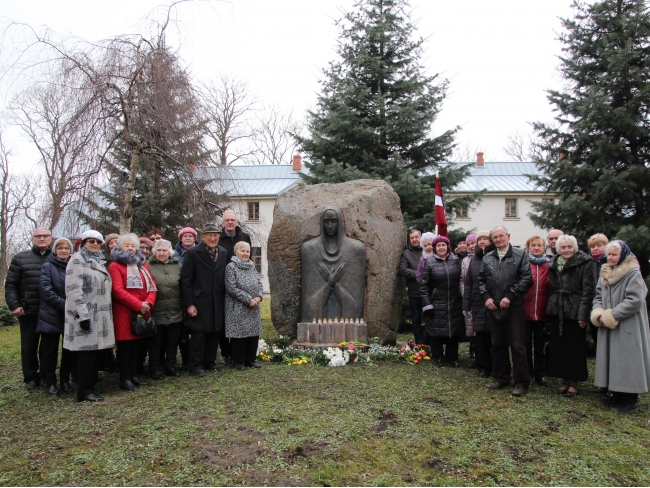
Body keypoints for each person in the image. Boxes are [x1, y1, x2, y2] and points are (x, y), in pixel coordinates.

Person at [591, 240, 650, 414]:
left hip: (627, 325)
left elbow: (635, 300)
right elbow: (598, 296)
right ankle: (615, 394)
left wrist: (613, 315)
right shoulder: (606, 272)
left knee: (628, 360)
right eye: (608, 254)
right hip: (608, 324)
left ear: (622, 255)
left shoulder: (633, 273)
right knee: (613, 359)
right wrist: (599, 313)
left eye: (614, 254)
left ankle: (630, 401)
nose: (610, 257)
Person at [479, 226, 533, 397]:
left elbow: (526, 278)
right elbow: (481, 280)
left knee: (517, 346)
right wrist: (486, 297)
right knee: (497, 344)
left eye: (501, 236)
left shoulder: (520, 255)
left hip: (514, 307)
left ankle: (521, 383)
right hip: (493, 307)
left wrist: (510, 296)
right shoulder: (487, 257)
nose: (499, 239)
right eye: (495, 237)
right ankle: (501, 378)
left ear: (508, 236)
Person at [63, 230, 114, 402]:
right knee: (86, 354)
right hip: (85, 315)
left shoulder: (97, 261)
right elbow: (73, 290)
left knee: (95, 353)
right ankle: (83, 390)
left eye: (98, 242)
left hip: (100, 315)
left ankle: (91, 386)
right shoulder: (77, 261)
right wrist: (82, 316)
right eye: (91, 241)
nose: (94, 244)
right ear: (83, 243)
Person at [545, 235, 596, 397]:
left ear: (575, 247)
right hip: (557, 309)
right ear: (558, 249)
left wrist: (583, 314)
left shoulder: (585, 262)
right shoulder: (553, 262)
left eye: (569, 247)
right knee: (559, 347)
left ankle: (574, 382)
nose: (566, 250)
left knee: (575, 348)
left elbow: (589, 291)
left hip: (575, 309)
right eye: (563, 247)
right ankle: (564, 381)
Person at [5, 227, 52, 390]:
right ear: (33, 238)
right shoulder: (20, 258)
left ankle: (47, 376)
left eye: (45, 236)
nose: (42, 239)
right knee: (29, 346)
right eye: (38, 236)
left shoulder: (56, 257)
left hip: (50, 311)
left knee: (47, 347)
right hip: (28, 310)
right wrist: (15, 305)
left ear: (50, 238)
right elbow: (10, 284)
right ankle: (31, 377)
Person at [108, 234, 157, 391]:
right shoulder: (115, 265)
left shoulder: (142, 265)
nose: (130, 248)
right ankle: (125, 378)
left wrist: (148, 303)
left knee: (137, 345)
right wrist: (137, 305)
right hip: (125, 311)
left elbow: (152, 286)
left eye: (132, 245)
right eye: (126, 245)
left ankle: (134, 375)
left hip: (143, 310)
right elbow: (117, 290)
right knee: (125, 346)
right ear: (120, 247)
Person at [180, 223, 228, 376]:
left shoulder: (223, 252)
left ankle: (210, 361)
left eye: (215, 235)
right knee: (199, 335)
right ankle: (195, 366)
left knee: (214, 331)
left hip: (217, 299)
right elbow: (185, 280)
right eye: (210, 235)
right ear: (203, 237)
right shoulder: (193, 252)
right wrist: (189, 304)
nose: (213, 238)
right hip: (199, 300)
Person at [36, 238, 74, 396]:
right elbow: (46, 291)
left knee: (68, 350)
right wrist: (66, 305)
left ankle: (65, 380)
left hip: (70, 315)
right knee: (49, 351)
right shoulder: (47, 266)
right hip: (51, 314)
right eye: (60, 248)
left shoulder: (74, 266)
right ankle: (50, 381)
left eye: (66, 248)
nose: (64, 251)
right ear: (55, 250)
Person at [420, 235, 464, 367]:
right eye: (438, 245)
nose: (441, 248)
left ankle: (452, 357)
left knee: (453, 330)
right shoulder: (429, 262)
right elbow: (424, 286)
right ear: (434, 248)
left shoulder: (455, 260)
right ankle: (438, 356)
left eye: (443, 245)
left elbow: (461, 280)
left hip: (453, 301)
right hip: (436, 301)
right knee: (436, 330)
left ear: (447, 246)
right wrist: (427, 304)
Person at [218, 211, 252, 364]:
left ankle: (240, 354)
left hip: (242, 284)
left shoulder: (244, 237)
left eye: (233, 220)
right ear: (223, 223)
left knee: (241, 322)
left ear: (237, 222)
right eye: (227, 220)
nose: (230, 222)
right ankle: (226, 354)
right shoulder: (218, 238)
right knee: (225, 322)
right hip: (222, 283)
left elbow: (247, 259)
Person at [225, 241, 264, 371]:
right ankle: (238, 361)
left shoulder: (251, 266)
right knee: (239, 335)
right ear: (236, 252)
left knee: (253, 334)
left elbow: (259, 282)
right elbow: (231, 287)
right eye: (243, 251)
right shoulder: (231, 266)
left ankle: (250, 359)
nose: (246, 253)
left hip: (254, 305)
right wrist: (248, 299)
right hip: (238, 306)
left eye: (248, 251)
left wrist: (258, 296)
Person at [147, 239, 183, 379]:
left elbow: (182, 285)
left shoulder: (177, 265)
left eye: (164, 250)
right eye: (159, 250)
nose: (162, 253)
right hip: (156, 310)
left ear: (170, 251)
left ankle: (170, 366)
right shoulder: (148, 265)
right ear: (154, 252)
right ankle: (155, 368)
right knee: (155, 343)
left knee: (173, 341)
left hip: (175, 309)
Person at [462, 230, 493, 377]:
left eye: (485, 239)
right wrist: (466, 305)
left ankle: (496, 365)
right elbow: (468, 284)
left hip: (494, 303)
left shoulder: (495, 257)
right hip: (478, 302)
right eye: (479, 239)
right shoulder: (474, 260)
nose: (482, 242)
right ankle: (483, 366)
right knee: (480, 336)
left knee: (495, 337)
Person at [523, 235, 550, 387]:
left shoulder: (549, 265)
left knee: (540, 345)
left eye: (539, 245)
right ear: (528, 248)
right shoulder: (524, 264)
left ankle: (541, 373)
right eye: (533, 245)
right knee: (525, 344)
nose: (536, 248)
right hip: (525, 311)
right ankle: (528, 372)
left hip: (542, 311)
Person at [399, 229, 424, 345]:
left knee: (430, 318)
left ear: (420, 237)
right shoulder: (407, 254)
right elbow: (403, 269)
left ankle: (430, 341)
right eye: (412, 238)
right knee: (416, 319)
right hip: (415, 291)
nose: (414, 240)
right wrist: (418, 274)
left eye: (416, 237)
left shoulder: (427, 251)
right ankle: (419, 342)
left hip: (429, 291)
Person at [587, 233, 609, 358]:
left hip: (609, 304)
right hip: (593, 305)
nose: (595, 248)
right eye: (592, 246)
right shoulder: (588, 262)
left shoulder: (611, 261)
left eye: (599, 245)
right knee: (597, 337)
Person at [460, 233, 477, 361]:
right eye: (469, 244)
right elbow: (462, 279)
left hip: (481, 297)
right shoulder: (465, 260)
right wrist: (465, 293)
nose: (471, 246)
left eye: (473, 243)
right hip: (468, 296)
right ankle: (473, 347)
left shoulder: (484, 258)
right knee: (470, 325)